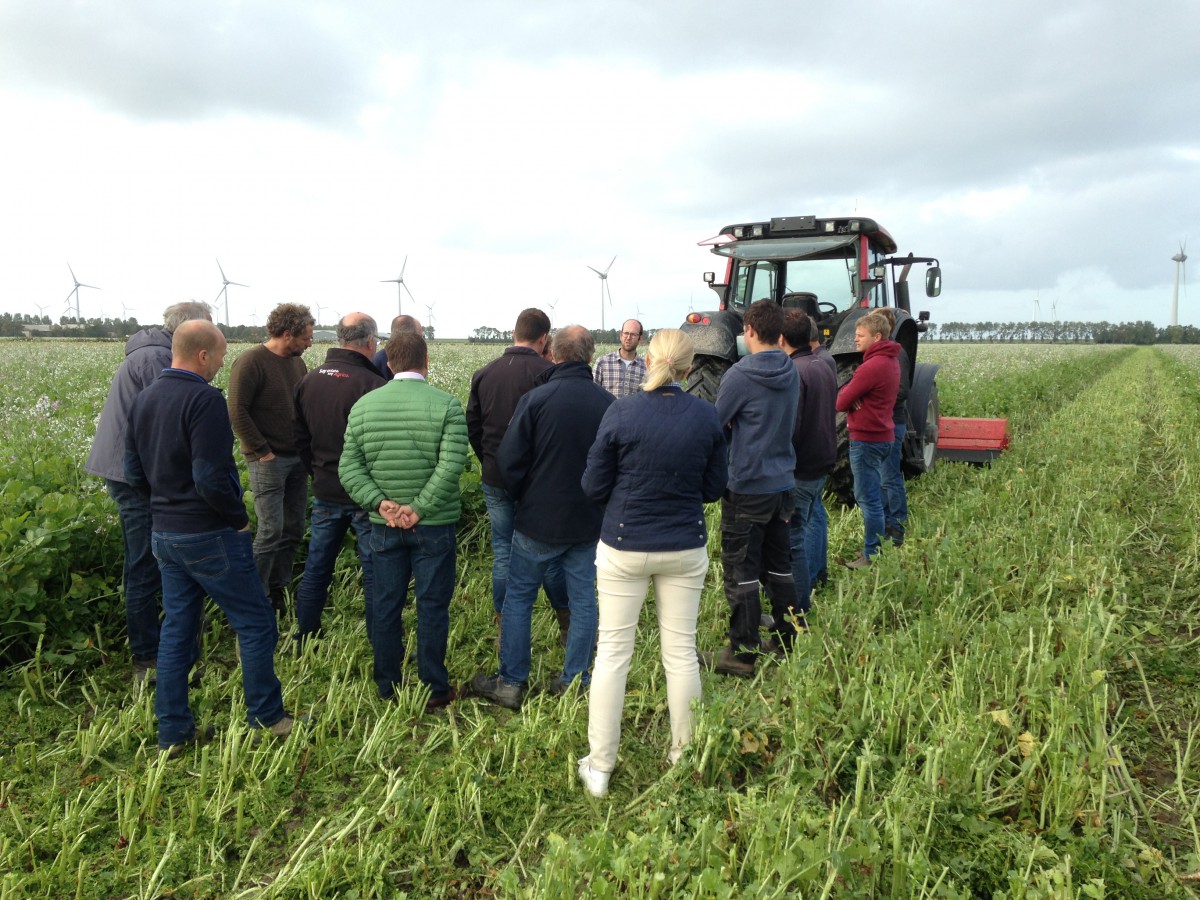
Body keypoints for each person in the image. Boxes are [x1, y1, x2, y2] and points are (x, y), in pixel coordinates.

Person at [125, 320, 297, 756]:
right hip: (209, 533)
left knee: (179, 628)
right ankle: (268, 717)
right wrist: (238, 518)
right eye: (220, 355)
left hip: (164, 533)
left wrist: (164, 507)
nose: (222, 363)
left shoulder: (144, 398)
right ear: (202, 355)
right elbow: (209, 476)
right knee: (256, 622)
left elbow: (131, 472)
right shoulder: (203, 400)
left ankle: (174, 731)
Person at [576, 329, 727, 797]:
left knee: (612, 656)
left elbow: (593, 485)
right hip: (683, 546)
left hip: (624, 544)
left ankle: (600, 767)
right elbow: (712, 488)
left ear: (648, 360)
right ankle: (683, 757)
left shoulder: (621, 411)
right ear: (688, 368)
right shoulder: (706, 416)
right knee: (681, 654)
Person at [471, 326, 614, 709]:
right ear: (589, 355)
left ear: (553, 353)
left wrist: (525, 497)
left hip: (537, 520)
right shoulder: (607, 402)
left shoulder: (536, 400)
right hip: (586, 521)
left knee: (519, 597)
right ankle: (576, 680)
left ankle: (511, 682)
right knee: (584, 598)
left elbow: (509, 460)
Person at [85, 300, 214, 683]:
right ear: (191, 331)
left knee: (158, 559)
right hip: (133, 474)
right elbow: (172, 417)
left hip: (134, 468)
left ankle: (173, 648)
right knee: (143, 563)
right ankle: (147, 658)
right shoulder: (158, 359)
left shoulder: (153, 352)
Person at [339, 332, 468, 712]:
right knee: (432, 605)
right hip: (434, 524)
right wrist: (421, 508)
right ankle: (434, 688)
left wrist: (380, 504)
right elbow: (452, 466)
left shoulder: (363, 407)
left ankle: (387, 685)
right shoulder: (447, 405)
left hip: (384, 526)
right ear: (426, 359)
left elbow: (349, 467)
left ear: (389, 362)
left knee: (385, 603)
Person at [702, 299, 800, 678]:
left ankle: (742, 653)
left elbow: (716, 424)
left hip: (747, 486)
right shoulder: (790, 369)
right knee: (779, 567)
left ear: (750, 331)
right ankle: (787, 639)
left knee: (741, 570)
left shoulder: (741, 375)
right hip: (782, 483)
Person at [466, 308, 571, 644]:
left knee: (503, 552)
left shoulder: (485, 373)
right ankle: (566, 623)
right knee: (551, 553)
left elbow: (474, 426)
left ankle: (503, 626)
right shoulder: (548, 373)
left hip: (496, 478)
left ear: (514, 333)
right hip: (539, 482)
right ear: (544, 338)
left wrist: (489, 461)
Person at [293, 312, 387, 646]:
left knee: (318, 565)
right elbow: (381, 446)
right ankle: (380, 642)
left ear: (339, 338)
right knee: (375, 571)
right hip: (365, 495)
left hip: (325, 489)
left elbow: (299, 438)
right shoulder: (374, 385)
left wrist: (317, 472)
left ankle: (305, 635)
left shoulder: (310, 379)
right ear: (371, 342)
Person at [227, 303, 315, 614]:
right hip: (268, 460)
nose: (310, 343)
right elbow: (237, 410)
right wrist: (262, 450)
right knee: (270, 530)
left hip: (296, 459)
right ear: (287, 334)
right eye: (305, 337)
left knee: (293, 528)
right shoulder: (251, 361)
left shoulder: (297, 364)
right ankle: (256, 596)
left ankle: (279, 588)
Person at [779, 310, 837, 618]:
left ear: (781, 338)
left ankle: (797, 610)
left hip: (800, 468)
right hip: (821, 460)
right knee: (814, 520)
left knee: (792, 542)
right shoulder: (823, 363)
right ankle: (816, 575)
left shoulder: (794, 372)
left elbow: (792, 427)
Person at [836, 310, 900, 568]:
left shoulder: (871, 366)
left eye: (860, 335)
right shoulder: (891, 361)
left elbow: (841, 401)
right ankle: (879, 545)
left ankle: (871, 554)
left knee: (868, 499)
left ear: (877, 336)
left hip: (866, 441)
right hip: (883, 436)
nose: (855, 339)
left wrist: (853, 399)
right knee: (876, 495)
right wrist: (856, 399)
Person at [875, 308, 911, 547]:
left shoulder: (896, 356)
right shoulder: (882, 355)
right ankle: (886, 522)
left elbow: (901, 391)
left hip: (892, 423)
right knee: (881, 478)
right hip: (882, 424)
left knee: (889, 477)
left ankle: (896, 527)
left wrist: (870, 398)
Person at [593, 318, 646, 397]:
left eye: (633, 334)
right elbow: (593, 392)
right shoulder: (602, 362)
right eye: (626, 333)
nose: (628, 337)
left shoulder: (646, 367)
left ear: (640, 338)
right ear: (621, 336)